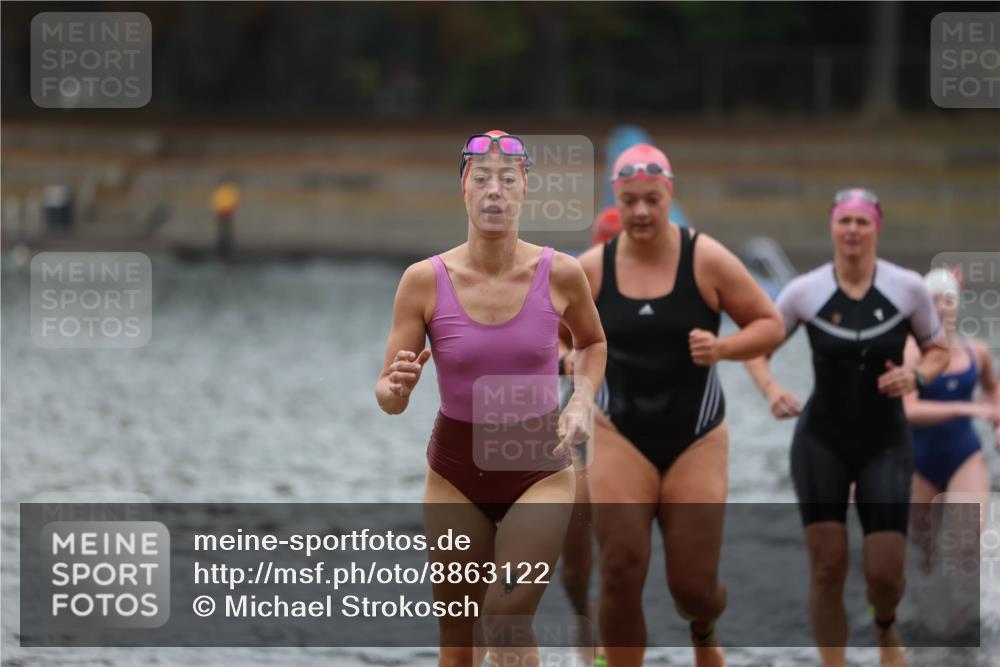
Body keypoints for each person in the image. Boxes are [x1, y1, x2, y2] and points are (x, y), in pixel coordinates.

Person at [375, 130, 607, 667]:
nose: (494, 192)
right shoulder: (423, 281)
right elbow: (389, 395)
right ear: (464, 188)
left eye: (507, 180)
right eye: (482, 180)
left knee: (505, 615)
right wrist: (394, 387)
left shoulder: (561, 273)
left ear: (526, 187)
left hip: (540, 471)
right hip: (454, 475)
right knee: (458, 645)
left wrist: (582, 399)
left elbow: (593, 342)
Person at [569, 144, 785, 667]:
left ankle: (704, 629)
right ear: (616, 201)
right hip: (619, 431)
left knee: (692, 589)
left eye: (652, 199)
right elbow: (546, 338)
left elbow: (769, 323)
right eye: (630, 201)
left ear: (670, 195)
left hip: (697, 436)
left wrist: (724, 348)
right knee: (620, 568)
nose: (641, 212)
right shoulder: (590, 269)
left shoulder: (705, 257)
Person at [744, 187, 951, 667]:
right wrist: (772, 389)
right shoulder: (805, 291)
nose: (853, 230)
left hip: (885, 442)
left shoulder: (907, 289)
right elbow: (757, 348)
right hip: (821, 441)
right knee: (828, 568)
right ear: (832, 228)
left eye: (862, 221)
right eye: (845, 221)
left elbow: (939, 349)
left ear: (875, 227)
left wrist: (917, 375)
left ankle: (884, 626)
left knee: (884, 573)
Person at [905, 268, 999, 567]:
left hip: (964, 455)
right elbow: (909, 409)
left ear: (958, 304)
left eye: (949, 300)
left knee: (967, 548)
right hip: (918, 461)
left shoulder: (977, 352)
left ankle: (965, 611)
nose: (942, 307)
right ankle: (920, 610)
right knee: (923, 552)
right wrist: (966, 408)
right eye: (934, 300)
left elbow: (993, 389)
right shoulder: (911, 352)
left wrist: (998, 423)